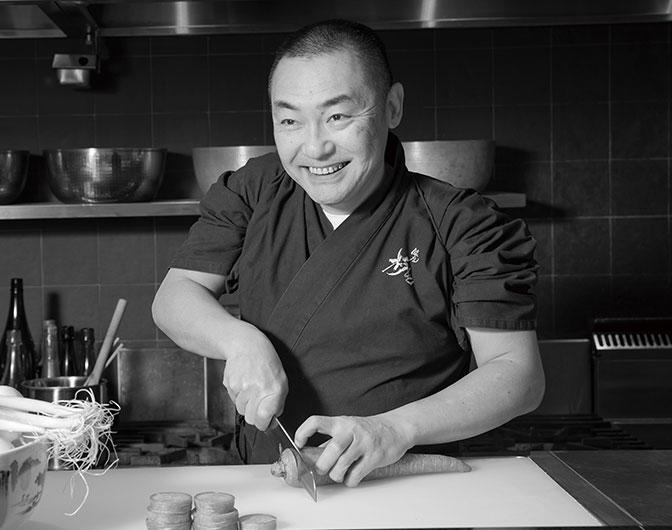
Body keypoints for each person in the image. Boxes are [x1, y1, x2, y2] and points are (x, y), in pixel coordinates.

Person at [152, 19, 545, 486]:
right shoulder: (254, 190)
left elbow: (517, 374)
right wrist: (239, 342)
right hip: (272, 483)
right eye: (290, 120)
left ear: (392, 107)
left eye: (337, 116)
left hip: (410, 489)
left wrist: (393, 430)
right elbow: (175, 296)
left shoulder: (462, 222)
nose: (315, 147)